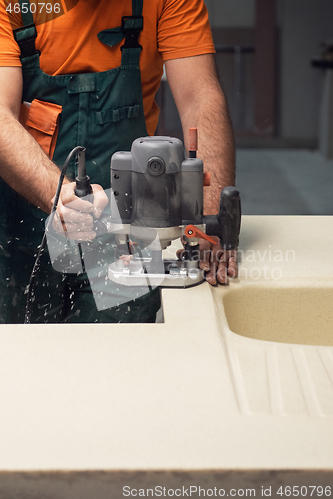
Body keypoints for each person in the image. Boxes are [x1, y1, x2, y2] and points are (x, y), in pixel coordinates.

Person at [0, 0, 237, 324]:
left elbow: (201, 98)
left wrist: (208, 224)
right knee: (25, 357)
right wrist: (60, 197)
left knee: (119, 357)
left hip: (129, 221)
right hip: (23, 219)